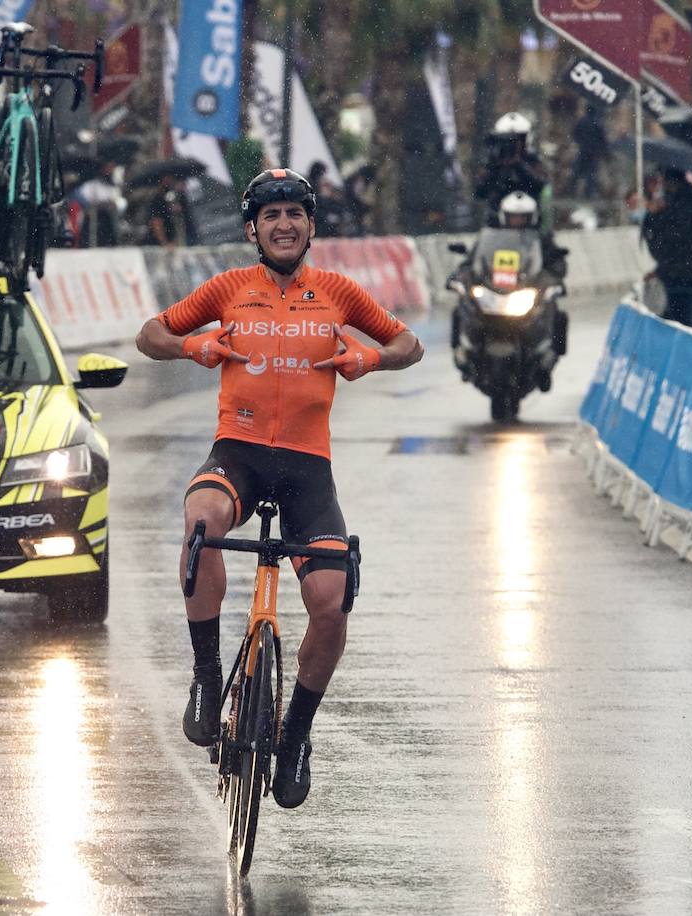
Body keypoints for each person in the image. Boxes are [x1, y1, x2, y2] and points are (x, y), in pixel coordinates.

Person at [134, 168, 423, 809]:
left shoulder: (340, 293)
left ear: (311, 226)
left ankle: (295, 735)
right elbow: (148, 335)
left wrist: (368, 358)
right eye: (271, 216)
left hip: (305, 468)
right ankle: (208, 678)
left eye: (295, 213)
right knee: (202, 522)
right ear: (252, 230)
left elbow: (409, 342)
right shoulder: (229, 288)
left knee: (331, 596)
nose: (284, 224)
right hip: (237, 454)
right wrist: (193, 346)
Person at [640, 166, 692, 329]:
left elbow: (667, 242)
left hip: (676, 273)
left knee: (678, 321)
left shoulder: (672, 205)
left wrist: (654, 215)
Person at [473, 112, 548, 226]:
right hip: (496, 225)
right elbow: (479, 192)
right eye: (505, 140)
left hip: (529, 225)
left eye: (515, 140)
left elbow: (540, 186)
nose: (509, 144)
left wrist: (519, 164)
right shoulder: (492, 162)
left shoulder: (532, 160)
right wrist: (497, 166)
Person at [566, 104, 608, 201]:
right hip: (593, 153)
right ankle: (588, 194)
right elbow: (603, 139)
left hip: (583, 150)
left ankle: (571, 191)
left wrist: (581, 142)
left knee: (577, 172)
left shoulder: (582, 121)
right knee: (591, 174)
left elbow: (575, 134)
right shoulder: (597, 123)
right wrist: (601, 149)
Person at [142, 173, 195, 248]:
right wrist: (165, 243)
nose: (169, 181)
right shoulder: (157, 200)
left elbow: (185, 220)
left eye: (171, 178)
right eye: (166, 178)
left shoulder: (180, 197)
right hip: (165, 244)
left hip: (185, 239)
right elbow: (156, 222)